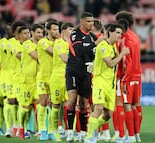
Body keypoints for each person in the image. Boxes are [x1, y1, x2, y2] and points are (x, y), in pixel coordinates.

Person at [85, 24, 129, 143]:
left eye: (121, 33)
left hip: (110, 84)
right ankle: (89, 137)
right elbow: (110, 63)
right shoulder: (103, 46)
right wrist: (122, 54)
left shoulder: (113, 46)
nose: (120, 35)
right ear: (110, 33)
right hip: (100, 82)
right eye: (117, 33)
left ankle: (92, 129)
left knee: (108, 114)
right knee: (98, 108)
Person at [65, 12, 103, 142]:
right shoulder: (75, 34)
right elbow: (80, 51)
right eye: (88, 21)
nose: (91, 24)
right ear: (81, 22)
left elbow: (93, 55)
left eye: (92, 21)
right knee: (71, 100)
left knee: (83, 103)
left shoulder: (92, 36)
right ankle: (70, 131)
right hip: (73, 70)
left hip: (86, 73)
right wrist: (97, 43)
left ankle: (82, 132)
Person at [115, 11, 142, 143]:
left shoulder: (126, 39)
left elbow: (126, 62)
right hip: (137, 76)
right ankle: (136, 135)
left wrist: (124, 79)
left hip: (128, 77)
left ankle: (130, 136)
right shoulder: (135, 36)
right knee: (136, 105)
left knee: (126, 105)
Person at [49, 22, 74, 141]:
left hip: (68, 77)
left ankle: (69, 131)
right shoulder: (59, 42)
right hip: (57, 78)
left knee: (69, 105)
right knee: (55, 105)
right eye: (70, 29)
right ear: (63, 31)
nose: (72, 32)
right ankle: (55, 131)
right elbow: (64, 58)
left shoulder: (71, 44)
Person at [36, 20, 59, 140]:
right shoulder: (42, 42)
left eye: (58, 29)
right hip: (42, 77)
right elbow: (53, 52)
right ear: (48, 30)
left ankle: (51, 130)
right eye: (54, 29)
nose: (57, 32)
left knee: (54, 105)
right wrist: (62, 47)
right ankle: (42, 130)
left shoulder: (59, 42)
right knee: (43, 103)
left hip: (54, 77)